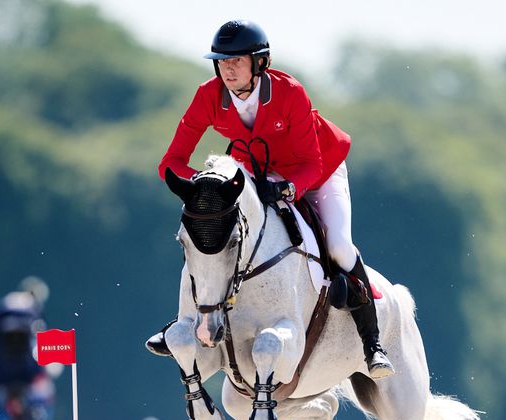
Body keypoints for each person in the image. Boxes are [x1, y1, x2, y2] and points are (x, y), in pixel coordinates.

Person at [148, 19, 394, 379]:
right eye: (221, 61)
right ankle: (186, 320)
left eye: (236, 60)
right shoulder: (208, 96)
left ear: (260, 62)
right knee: (215, 236)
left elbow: (313, 163)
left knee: (339, 245)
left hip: (317, 171)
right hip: (259, 173)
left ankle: (372, 343)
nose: (227, 69)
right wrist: (205, 187)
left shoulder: (289, 92)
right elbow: (170, 163)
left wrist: (286, 190)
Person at [0, 276, 58, 420]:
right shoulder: (35, 311)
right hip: (30, 381)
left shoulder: (3, 307)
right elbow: (40, 347)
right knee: (40, 417)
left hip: (2, 380)